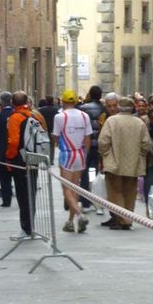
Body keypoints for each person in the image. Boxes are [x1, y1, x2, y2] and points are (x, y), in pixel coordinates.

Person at [98, 96, 152, 230]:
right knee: (130, 192)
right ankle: (128, 218)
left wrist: (106, 155)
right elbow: (146, 144)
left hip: (114, 162)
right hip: (133, 163)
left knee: (115, 192)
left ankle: (122, 219)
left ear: (119, 107)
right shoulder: (139, 123)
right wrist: (140, 155)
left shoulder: (111, 121)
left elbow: (103, 142)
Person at [6, 90, 48, 240]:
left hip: (20, 160)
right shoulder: (35, 116)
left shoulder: (15, 118)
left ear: (12, 103)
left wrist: (9, 157)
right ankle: (31, 226)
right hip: (33, 159)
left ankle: (26, 228)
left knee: (23, 195)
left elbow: (14, 142)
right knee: (31, 193)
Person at [53, 89, 93, 232]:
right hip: (80, 153)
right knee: (75, 188)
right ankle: (70, 221)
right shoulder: (84, 116)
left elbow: (56, 137)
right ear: (75, 101)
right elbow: (88, 138)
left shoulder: (60, 117)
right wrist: (85, 155)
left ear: (63, 102)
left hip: (67, 154)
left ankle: (80, 214)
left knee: (67, 190)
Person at [79, 85, 105, 213]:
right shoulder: (104, 109)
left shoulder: (82, 109)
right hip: (100, 145)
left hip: (86, 144)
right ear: (100, 96)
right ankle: (98, 202)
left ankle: (85, 202)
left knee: (84, 173)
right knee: (98, 174)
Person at [38, 95, 60, 165]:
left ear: (46, 101)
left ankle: (45, 159)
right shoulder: (56, 110)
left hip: (44, 130)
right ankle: (51, 160)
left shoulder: (41, 110)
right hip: (53, 130)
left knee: (44, 144)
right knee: (52, 145)